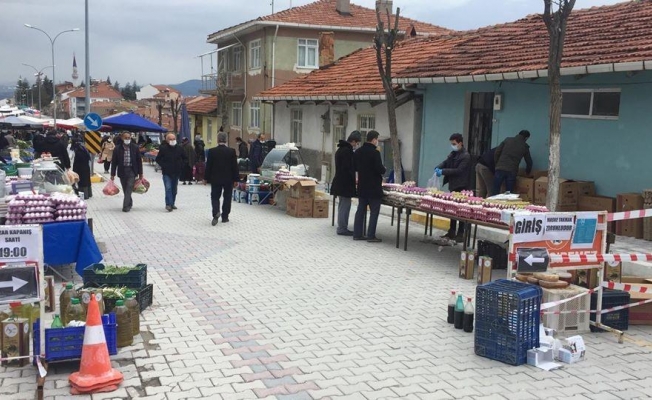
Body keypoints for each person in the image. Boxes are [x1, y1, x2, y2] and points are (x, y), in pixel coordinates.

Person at [434, 133, 471, 242]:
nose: (453, 146)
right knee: (453, 210)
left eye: (454, 144)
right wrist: (438, 167)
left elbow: (459, 171)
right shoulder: (453, 154)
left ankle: (460, 233)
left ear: (460, 143)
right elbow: (446, 162)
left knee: (461, 211)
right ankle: (452, 231)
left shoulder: (465, 156)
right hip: (453, 185)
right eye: (451, 144)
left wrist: (443, 171)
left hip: (462, 185)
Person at [353, 130, 386, 243]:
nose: (377, 141)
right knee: (374, 212)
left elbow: (355, 167)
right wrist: (384, 169)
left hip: (362, 186)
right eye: (377, 139)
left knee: (360, 210)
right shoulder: (375, 153)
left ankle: (357, 234)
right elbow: (380, 169)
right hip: (373, 187)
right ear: (374, 140)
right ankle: (370, 235)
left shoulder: (358, 152)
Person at [331, 131, 362, 236]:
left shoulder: (341, 149)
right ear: (353, 141)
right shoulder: (347, 152)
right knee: (345, 206)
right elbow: (349, 168)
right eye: (356, 143)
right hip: (345, 184)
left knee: (342, 205)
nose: (356, 145)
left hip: (340, 182)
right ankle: (342, 228)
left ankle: (341, 226)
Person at [204, 132, 238, 226]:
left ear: (217, 140)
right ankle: (225, 217)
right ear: (226, 140)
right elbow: (235, 166)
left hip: (215, 178)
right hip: (228, 179)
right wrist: (236, 179)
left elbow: (208, 166)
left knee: (215, 197)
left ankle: (216, 212)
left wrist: (205, 178)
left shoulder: (212, 151)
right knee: (227, 197)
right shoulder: (231, 151)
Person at [111, 132, 143, 212]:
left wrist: (140, 173)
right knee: (125, 188)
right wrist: (112, 174)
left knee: (129, 187)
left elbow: (139, 161)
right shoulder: (117, 148)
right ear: (122, 138)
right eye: (126, 138)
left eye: (129, 138)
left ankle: (125, 206)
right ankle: (129, 202)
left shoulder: (135, 147)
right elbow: (114, 162)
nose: (127, 139)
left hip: (132, 170)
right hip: (122, 170)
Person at [493, 130, 533, 195]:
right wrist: (527, 172)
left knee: (496, 189)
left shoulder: (507, 140)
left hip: (500, 168)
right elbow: (529, 161)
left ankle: (493, 201)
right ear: (526, 138)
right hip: (512, 170)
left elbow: (497, 152)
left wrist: (497, 164)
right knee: (508, 192)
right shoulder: (525, 146)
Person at [155, 133, 186, 212]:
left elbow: (185, 158)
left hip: (176, 172)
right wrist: (164, 165)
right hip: (167, 172)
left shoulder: (180, 148)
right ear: (167, 140)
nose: (172, 140)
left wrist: (181, 165)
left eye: (174, 139)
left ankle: (172, 203)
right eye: (170, 139)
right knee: (168, 188)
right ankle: (168, 204)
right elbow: (158, 159)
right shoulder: (163, 148)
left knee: (174, 190)